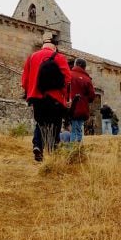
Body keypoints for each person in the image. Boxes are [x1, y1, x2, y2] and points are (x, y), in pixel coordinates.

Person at [21, 33, 72, 162]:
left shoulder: (32, 57)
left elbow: (24, 80)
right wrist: (66, 98)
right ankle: (53, 149)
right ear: (54, 47)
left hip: (36, 97)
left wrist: (28, 93)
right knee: (55, 123)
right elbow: (67, 79)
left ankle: (38, 145)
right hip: (55, 97)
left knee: (40, 122)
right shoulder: (59, 57)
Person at [67, 58, 96, 143]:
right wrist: (86, 100)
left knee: (74, 129)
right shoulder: (87, 79)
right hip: (82, 107)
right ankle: (78, 148)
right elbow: (92, 95)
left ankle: (74, 149)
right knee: (78, 128)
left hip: (71, 106)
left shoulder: (69, 74)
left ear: (76, 65)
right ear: (84, 67)